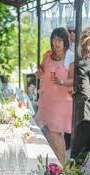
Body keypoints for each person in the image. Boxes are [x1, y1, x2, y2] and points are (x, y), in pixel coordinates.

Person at [35, 27, 74, 164]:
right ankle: (55, 166)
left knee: (55, 132)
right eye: (54, 39)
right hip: (47, 99)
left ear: (65, 42)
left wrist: (61, 82)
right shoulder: (47, 55)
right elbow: (41, 70)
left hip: (62, 101)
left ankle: (62, 166)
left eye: (60, 40)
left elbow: (74, 80)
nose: (56, 43)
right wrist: (39, 73)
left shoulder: (70, 57)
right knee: (49, 132)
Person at [71, 27, 90, 162]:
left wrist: (73, 95)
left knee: (75, 162)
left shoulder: (83, 63)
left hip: (86, 119)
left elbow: (84, 93)